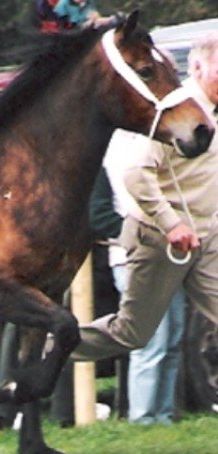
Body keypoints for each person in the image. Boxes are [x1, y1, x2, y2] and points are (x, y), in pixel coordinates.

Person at [72, 34, 218, 377]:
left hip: (206, 237)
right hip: (159, 238)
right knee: (134, 333)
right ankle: (56, 345)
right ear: (197, 68)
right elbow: (136, 175)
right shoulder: (174, 113)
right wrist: (172, 224)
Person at [90, 129, 186, 425]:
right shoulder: (107, 154)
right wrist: (139, 238)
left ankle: (163, 413)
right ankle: (142, 417)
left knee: (173, 338)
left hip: (170, 257)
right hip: (132, 258)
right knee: (151, 340)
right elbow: (99, 214)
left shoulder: (160, 146)